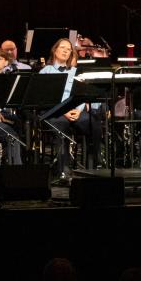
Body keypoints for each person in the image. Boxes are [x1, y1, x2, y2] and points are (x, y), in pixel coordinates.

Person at [41, 37, 102, 181]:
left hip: (76, 110)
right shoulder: (45, 72)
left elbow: (82, 94)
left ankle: (93, 167)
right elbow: (46, 98)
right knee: (61, 126)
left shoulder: (76, 72)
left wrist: (79, 109)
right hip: (56, 112)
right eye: (62, 47)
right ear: (55, 50)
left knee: (94, 124)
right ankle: (64, 170)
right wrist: (64, 111)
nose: (66, 51)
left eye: (69, 49)